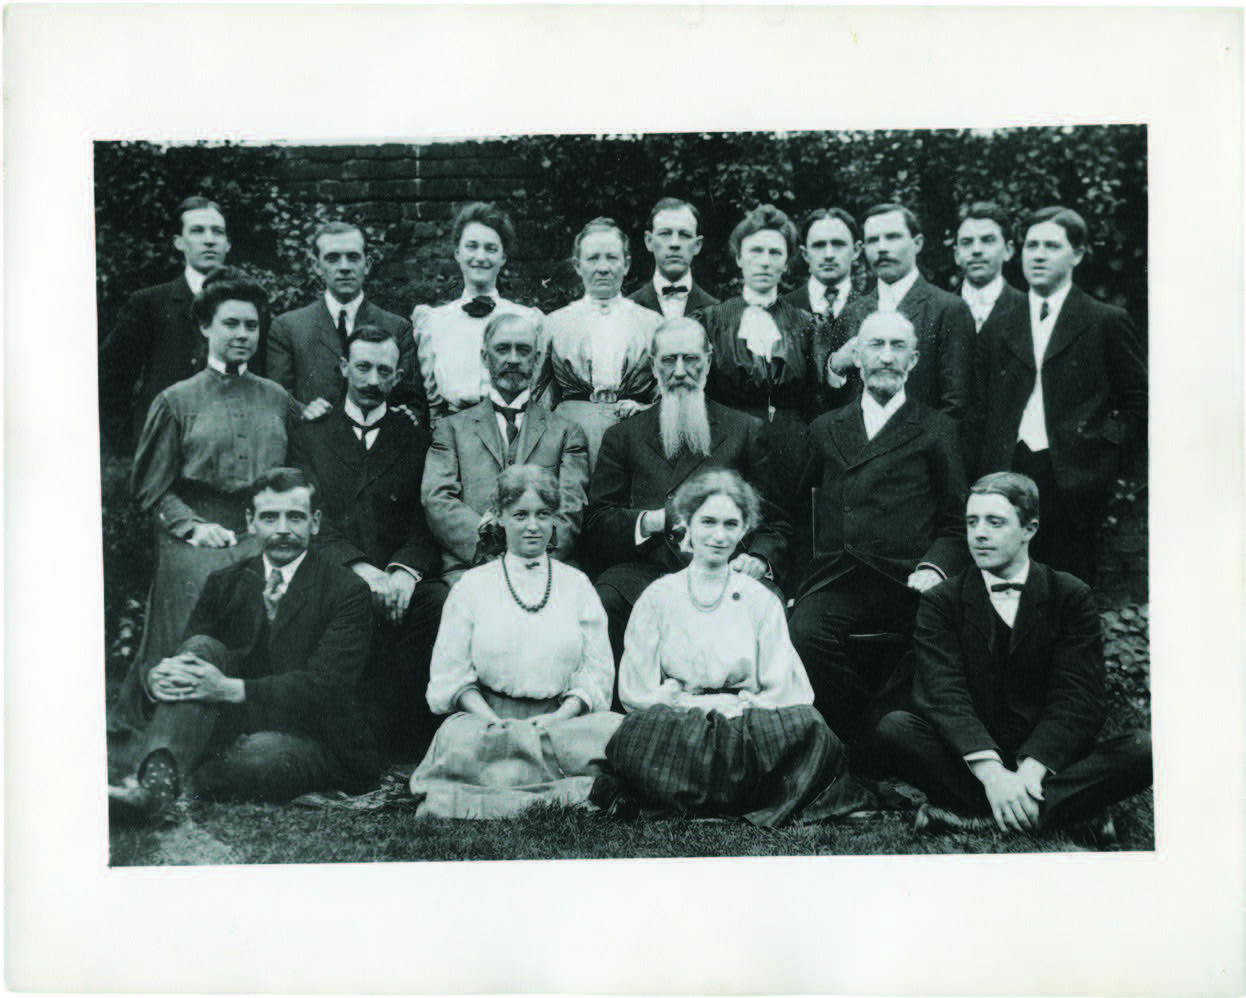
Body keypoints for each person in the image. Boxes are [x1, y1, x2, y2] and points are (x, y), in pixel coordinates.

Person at [870, 472, 1153, 842]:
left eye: (995, 522)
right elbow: (943, 694)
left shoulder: (1070, 595)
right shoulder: (943, 601)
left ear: (1029, 528)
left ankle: (977, 814)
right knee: (895, 728)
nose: (979, 534)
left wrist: (1030, 773)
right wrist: (993, 774)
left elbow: (1078, 698)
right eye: (972, 522)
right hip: (970, 761)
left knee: (1145, 748)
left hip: (1046, 762)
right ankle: (1064, 811)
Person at [591, 470, 869, 828]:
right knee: (634, 735)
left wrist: (750, 705)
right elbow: (635, 690)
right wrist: (673, 699)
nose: (719, 536)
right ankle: (752, 796)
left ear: (743, 531)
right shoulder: (658, 597)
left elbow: (788, 686)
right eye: (707, 522)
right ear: (686, 524)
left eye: (730, 524)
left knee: (812, 728)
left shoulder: (760, 599)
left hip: (747, 723)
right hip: (680, 721)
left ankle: (692, 796)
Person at [109, 270, 309, 766]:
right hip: (195, 530)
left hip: (264, 527)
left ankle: (249, 724)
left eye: (252, 326)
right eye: (231, 324)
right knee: (199, 589)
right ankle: (168, 735)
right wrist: (193, 526)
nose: (243, 335)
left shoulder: (279, 399)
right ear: (205, 327)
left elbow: (306, 467)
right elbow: (150, 486)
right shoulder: (176, 400)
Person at [108, 468, 379, 820]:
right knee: (202, 647)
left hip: (314, 734)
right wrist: (160, 681)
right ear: (251, 522)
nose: (282, 529)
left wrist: (227, 688)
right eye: (269, 517)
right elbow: (195, 656)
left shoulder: (347, 591)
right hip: (230, 724)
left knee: (260, 757)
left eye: (295, 517)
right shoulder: (225, 582)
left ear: (315, 522)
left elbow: (325, 688)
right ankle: (157, 787)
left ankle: (176, 780)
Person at [787, 310, 968, 742]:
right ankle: (865, 738)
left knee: (939, 640)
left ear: (915, 359)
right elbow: (799, 512)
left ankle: (883, 737)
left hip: (909, 579)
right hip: (841, 576)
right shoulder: (826, 427)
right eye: (875, 345)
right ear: (858, 356)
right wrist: (797, 585)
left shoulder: (936, 429)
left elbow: (957, 522)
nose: (886, 357)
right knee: (805, 634)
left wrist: (934, 568)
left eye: (897, 346)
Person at [410, 466, 622, 819]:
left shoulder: (578, 585)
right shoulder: (472, 586)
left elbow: (597, 671)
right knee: (457, 741)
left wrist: (560, 717)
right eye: (520, 515)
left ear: (555, 520)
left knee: (613, 730)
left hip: (559, 727)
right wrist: (492, 720)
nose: (533, 526)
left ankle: (475, 799)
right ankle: (573, 794)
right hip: (487, 725)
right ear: (500, 518)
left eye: (543, 515)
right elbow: (451, 671)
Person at [584, 316, 791, 662]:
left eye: (691, 359)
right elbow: (596, 526)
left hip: (725, 570)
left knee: (767, 602)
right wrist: (653, 520)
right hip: (644, 573)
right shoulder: (623, 436)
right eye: (668, 360)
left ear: (708, 362)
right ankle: (625, 712)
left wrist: (757, 559)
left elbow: (776, 524)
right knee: (605, 600)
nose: (680, 370)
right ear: (653, 366)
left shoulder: (745, 430)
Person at [288, 325, 448, 757]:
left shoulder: (415, 439)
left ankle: (394, 736)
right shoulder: (311, 435)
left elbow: (425, 520)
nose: (373, 380)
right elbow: (308, 518)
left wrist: (402, 572)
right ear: (344, 368)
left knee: (435, 601)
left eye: (384, 370)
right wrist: (361, 569)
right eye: (363, 367)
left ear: (397, 378)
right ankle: (348, 739)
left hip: (395, 577)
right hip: (335, 571)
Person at [969, 206, 1147, 584]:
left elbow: (1139, 403)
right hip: (1006, 470)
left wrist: (1103, 455)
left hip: (1073, 479)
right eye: (1032, 245)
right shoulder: (1000, 324)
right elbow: (977, 405)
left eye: (1051, 246)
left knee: (1066, 591)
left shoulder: (1105, 321)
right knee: (1003, 584)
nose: (1038, 255)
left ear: (1077, 254)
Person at [422, 312, 590, 583]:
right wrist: (490, 549)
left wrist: (530, 560)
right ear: (485, 358)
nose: (512, 359)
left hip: (545, 568)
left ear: (536, 361)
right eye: (502, 349)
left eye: (523, 350)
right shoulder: (451, 429)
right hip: (470, 569)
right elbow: (438, 501)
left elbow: (570, 511)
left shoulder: (567, 432)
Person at [98, 196, 236, 455]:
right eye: (197, 231)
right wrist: (131, 445)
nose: (209, 239)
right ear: (179, 242)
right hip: (165, 451)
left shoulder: (250, 304)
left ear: (227, 244)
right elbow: (109, 378)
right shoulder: (149, 303)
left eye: (217, 232)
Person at [699, 204, 818, 503]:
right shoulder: (711, 321)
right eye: (755, 251)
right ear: (739, 257)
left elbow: (815, 399)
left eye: (775, 253)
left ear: (787, 262)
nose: (765, 262)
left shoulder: (806, 324)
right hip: (729, 450)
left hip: (793, 453)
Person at [830, 202, 974, 422]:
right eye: (873, 240)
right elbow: (834, 406)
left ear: (917, 243)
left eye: (892, 237)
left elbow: (956, 405)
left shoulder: (948, 309)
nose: (882, 248)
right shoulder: (852, 313)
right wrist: (835, 367)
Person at [536, 217, 662, 467]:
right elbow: (537, 394)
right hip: (571, 437)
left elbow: (666, 389)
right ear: (578, 265)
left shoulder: (652, 323)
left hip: (635, 432)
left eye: (612, 258)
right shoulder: (553, 324)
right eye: (593, 258)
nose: (603, 268)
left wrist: (645, 408)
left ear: (626, 265)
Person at [267, 221, 423, 419]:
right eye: (332, 258)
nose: (344, 267)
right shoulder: (287, 328)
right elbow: (277, 398)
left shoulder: (398, 328)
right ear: (317, 266)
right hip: (313, 443)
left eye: (353, 257)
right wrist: (303, 411)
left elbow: (413, 403)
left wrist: (406, 415)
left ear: (366, 265)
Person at [411, 202, 544, 428]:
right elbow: (430, 399)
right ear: (457, 253)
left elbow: (538, 388)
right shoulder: (433, 321)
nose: (480, 257)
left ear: (503, 257)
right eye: (471, 246)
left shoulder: (528, 320)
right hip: (452, 431)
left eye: (491, 248)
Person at [782, 207, 864, 412]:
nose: (828, 255)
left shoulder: (874, 311)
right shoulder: (781, 310)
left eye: (838, 244)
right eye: (818, 246)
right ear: (805, 254)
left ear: (856, 250)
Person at [627, 197, 720, 318]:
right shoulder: (628, 310)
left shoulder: (716, 313)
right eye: (665, 234)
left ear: (697, 245)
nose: (674, 244)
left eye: (684, 235)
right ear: (649, 241)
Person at [953, 200, 1025, 334]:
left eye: (988, 240)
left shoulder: (1028, 310)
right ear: (956, 255)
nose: (976, 250)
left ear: (1008, 250)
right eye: (967, 242)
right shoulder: (938, 311)